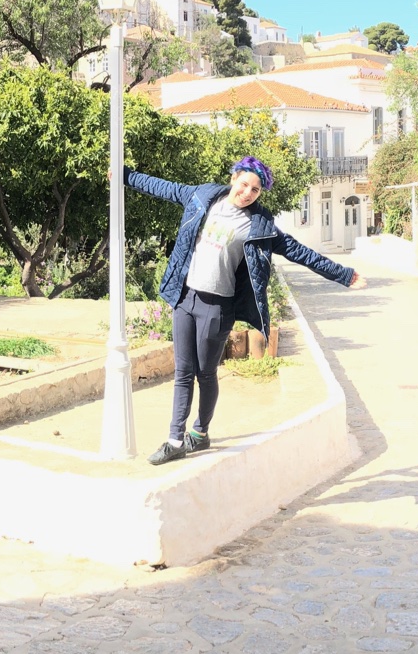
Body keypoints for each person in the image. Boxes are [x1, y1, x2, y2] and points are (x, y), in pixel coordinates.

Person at [125, 157, 364, 464]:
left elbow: (299, 252)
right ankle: (174, 440)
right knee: (183, 372)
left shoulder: (259, 225)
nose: (247, 192)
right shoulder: (202, 196)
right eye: (244, 184)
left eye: (255, 189)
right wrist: (124, 175)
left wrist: (343, 274)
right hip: (185, 298)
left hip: (217, 306)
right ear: (234, 178)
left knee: (205, 372)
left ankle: (199, 433)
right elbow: (161, 187)